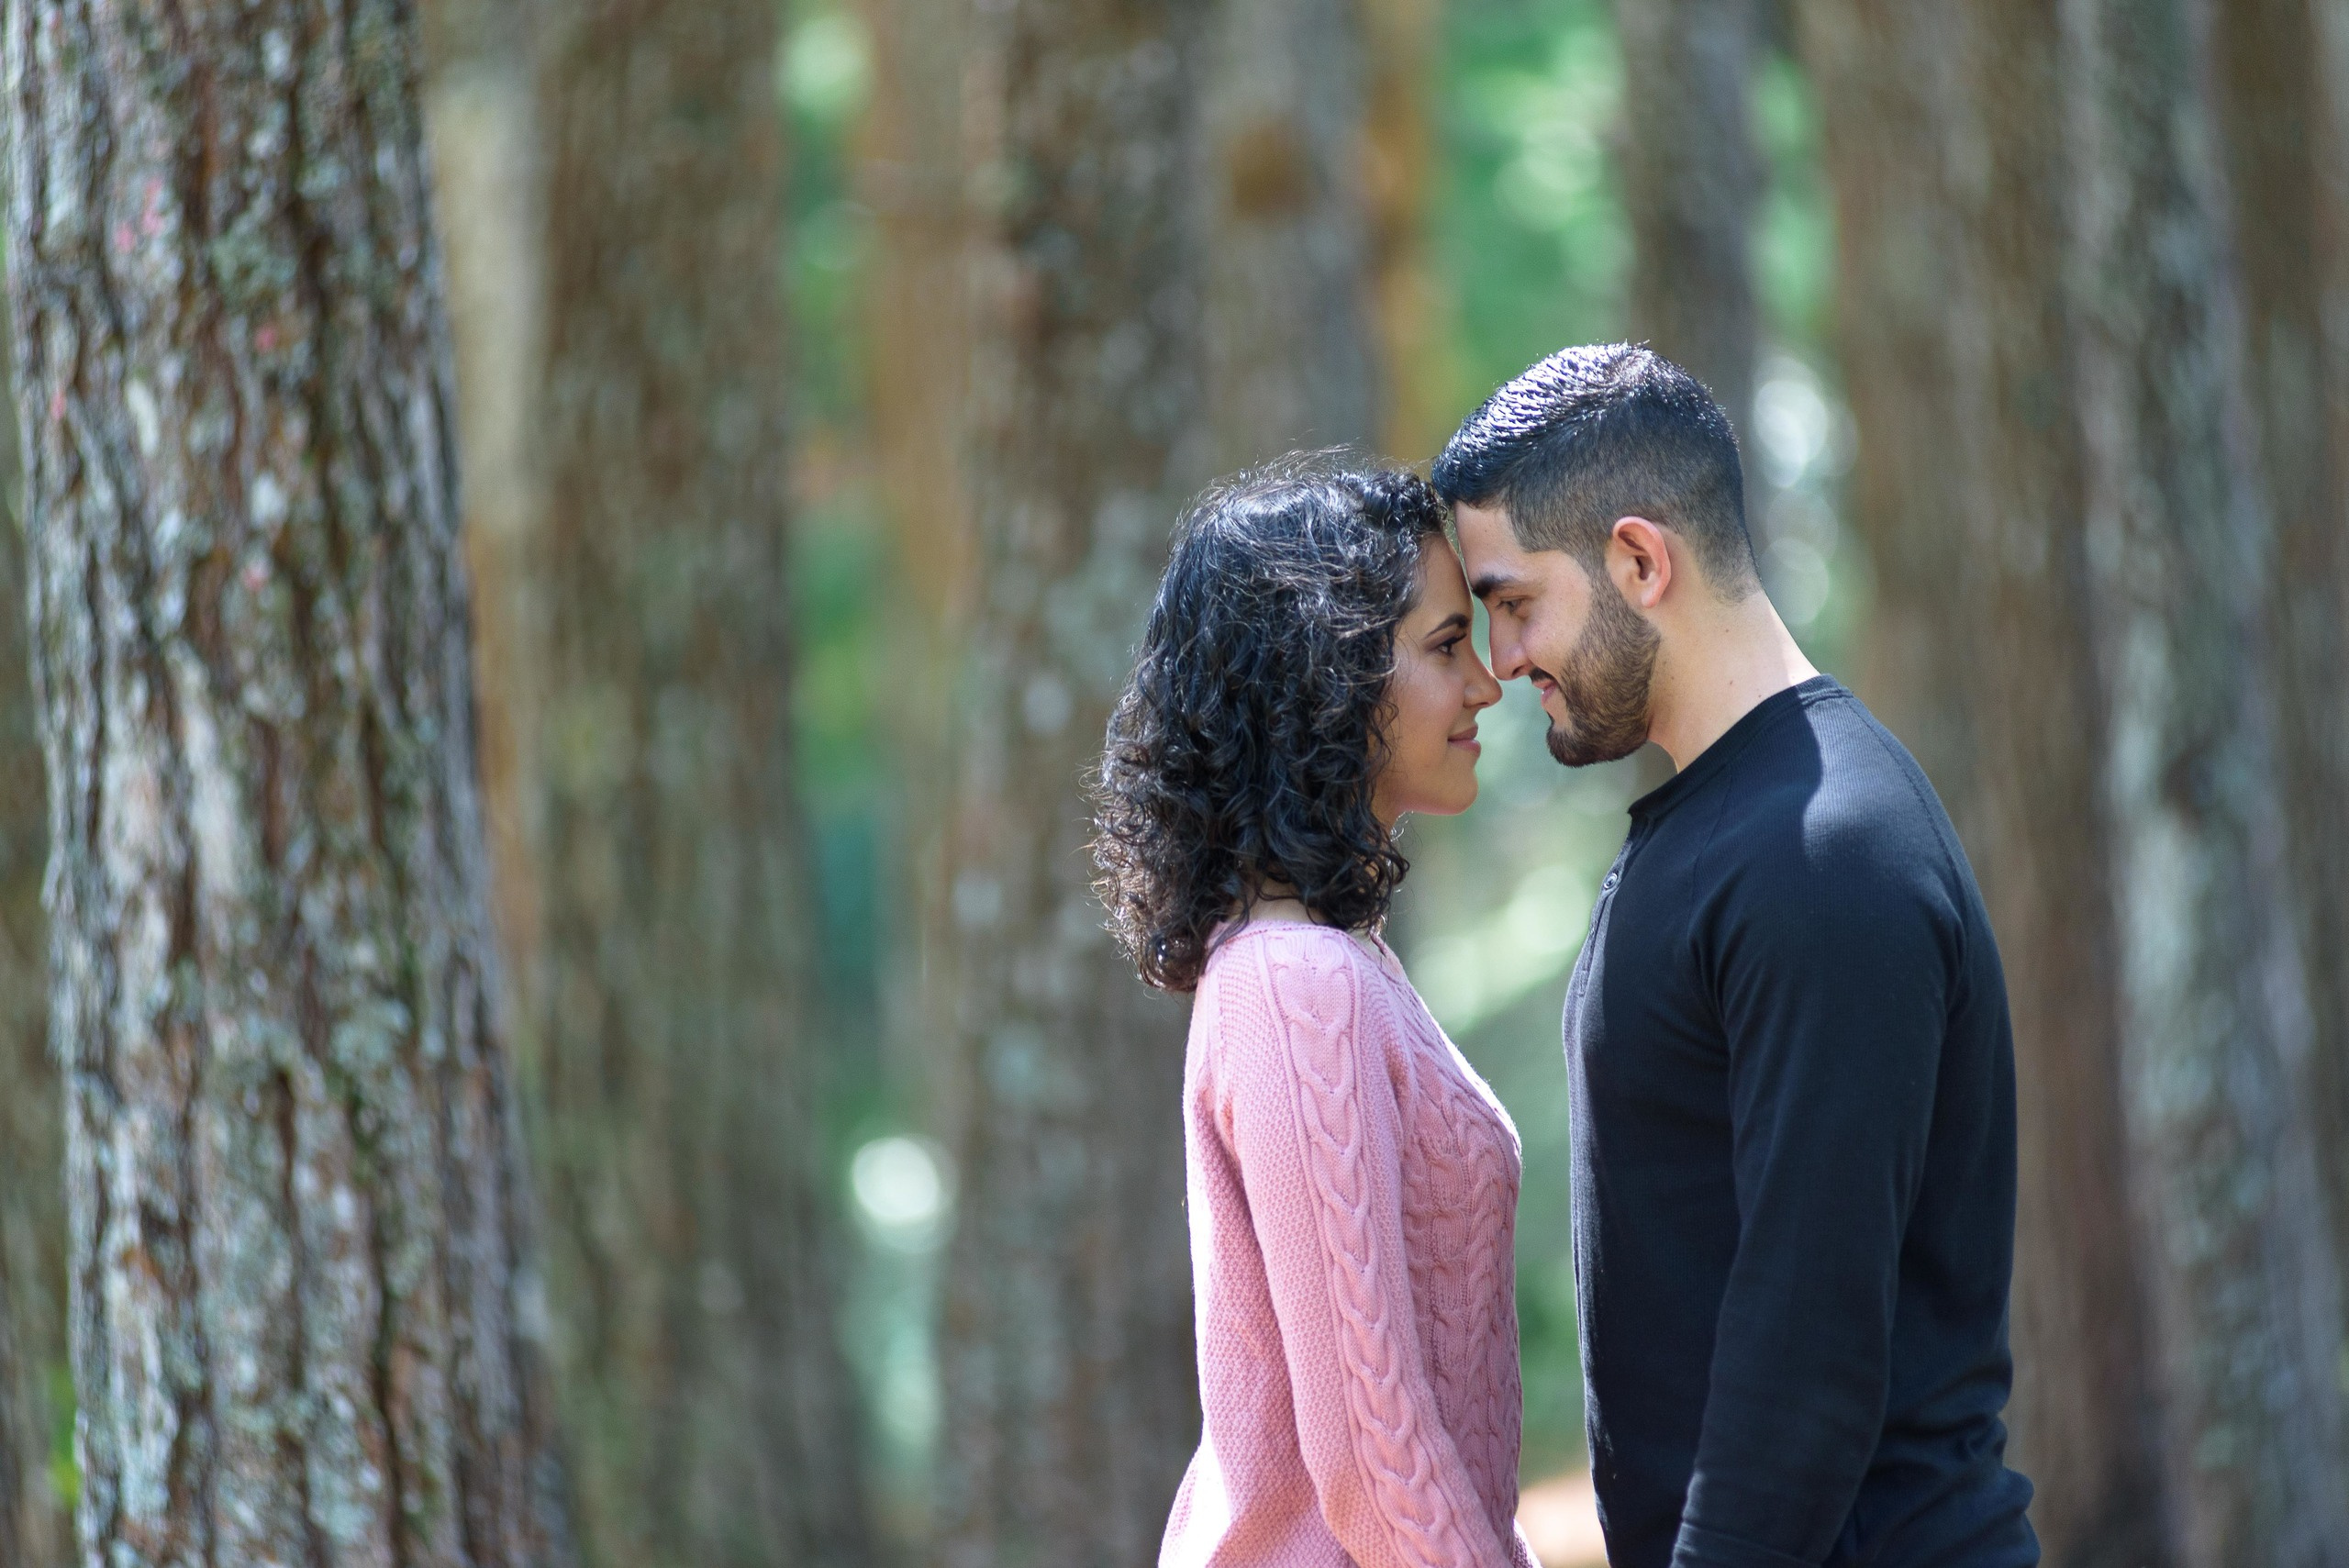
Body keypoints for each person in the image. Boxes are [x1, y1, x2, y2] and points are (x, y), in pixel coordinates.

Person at [1434, 342, 2039, 1568]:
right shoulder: (1731, 830)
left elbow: (1805, 1359)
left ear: (1638, 560)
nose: (1503, 663)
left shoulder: (1825, 855)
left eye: (1514, 603)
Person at [1093, 461, 1538, 1568]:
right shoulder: (1296, 983)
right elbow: (1373, 1460)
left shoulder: (1330, 960)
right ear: (1327, 680)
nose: (1485, 684)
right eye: (1444, 646)